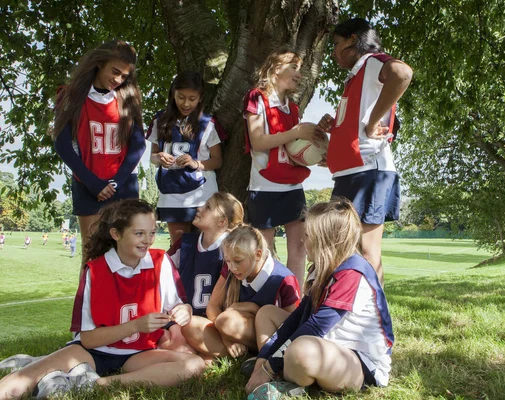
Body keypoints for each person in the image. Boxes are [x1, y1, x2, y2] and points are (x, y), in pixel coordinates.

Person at [0, 199, 206, 399]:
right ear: (116, 234)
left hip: (138, 353)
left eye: (152, 233)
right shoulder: (95, 271)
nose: (148, 240)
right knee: (19, 382)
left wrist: (184, 309)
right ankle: (39, 364)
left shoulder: (161, 262)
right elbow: (89, 339)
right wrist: (136, 326)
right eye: (139, 233)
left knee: (194, 365)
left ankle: (94, 384)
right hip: (94, 352)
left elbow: (178, 304)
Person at [245, 199, 394, 400]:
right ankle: (283, 372)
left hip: (359, 362)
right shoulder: (321, 268)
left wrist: (271, 367)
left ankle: (286, 380)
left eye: (307, 236)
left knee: (300, 351)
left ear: (325, 241)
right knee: (267, 313)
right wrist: (264, 359)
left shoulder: (352, 273)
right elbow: (297, 318)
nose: (302, 241)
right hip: (325, 345)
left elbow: (315, 327)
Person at [317, 18, 413, 284]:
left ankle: (374, 318)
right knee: (344, 249)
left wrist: (373, 123)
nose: (334, 52)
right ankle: (354, 310)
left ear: (352, 40)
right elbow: (354, 128)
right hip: (353, 173)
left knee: (366, 250)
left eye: (336, 44)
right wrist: (334, 131)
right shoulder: (358, 75)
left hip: (369, 171)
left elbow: (402, 74)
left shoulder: (372, 61)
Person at [52, 40, 146, 264]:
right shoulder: (71, 96)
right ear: (99, 63)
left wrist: (116, 182)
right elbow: (62, 144)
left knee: (128, 255)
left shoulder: (128, 100)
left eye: (124, 76)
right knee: (92, 255)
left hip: (123, 184)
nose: (118, 80)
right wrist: (93, 183)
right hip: (88, 184)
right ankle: (89, 301)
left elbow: (138, 145)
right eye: (115, 72)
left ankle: (126, 301)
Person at [243, 48, 324, 289]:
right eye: (295, 68)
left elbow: (293, 148)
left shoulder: (293, 108)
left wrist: (317, 153)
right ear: (276, 68)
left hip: (292, 185)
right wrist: (297, 132)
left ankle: (293, 303)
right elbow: (258, 141)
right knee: (263, 251)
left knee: (299, 248)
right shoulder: (257, 98)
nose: (301, 74)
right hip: (265, 185)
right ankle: (266, 299)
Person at [181, 224, 300, 360]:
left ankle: (251, 355)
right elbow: (213, 306)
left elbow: (291, 324)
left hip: (266, 335)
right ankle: (240, 355)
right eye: (227, 261)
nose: (232, 267)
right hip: (229, 330)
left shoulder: (284, 279)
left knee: (228, 322)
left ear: (258, 254)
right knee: (190, 325)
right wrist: (228, 339)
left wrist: (252, 309)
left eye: (237, 261)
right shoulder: (232, 269)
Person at [159, 191, 244, 354]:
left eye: (208, 207)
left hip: (215, 321)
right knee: (169, 340)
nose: (199, 208)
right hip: (183, 317)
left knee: (179, 345)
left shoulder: (231, 251)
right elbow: (162, 270)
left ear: (222, 222)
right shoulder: (186, 242)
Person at [148, 71, 223, 244]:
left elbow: (217, 160)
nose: (186, 103)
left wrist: (195, 163)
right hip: (171, 192)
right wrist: (159, 158)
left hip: (202, 193)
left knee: (206, 244)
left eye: (192, 98)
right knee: (179, 246)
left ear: (200, 98)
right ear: (173, 93)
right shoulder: (161, 120)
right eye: (181, 97)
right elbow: (152, 156)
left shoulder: (208, 123)